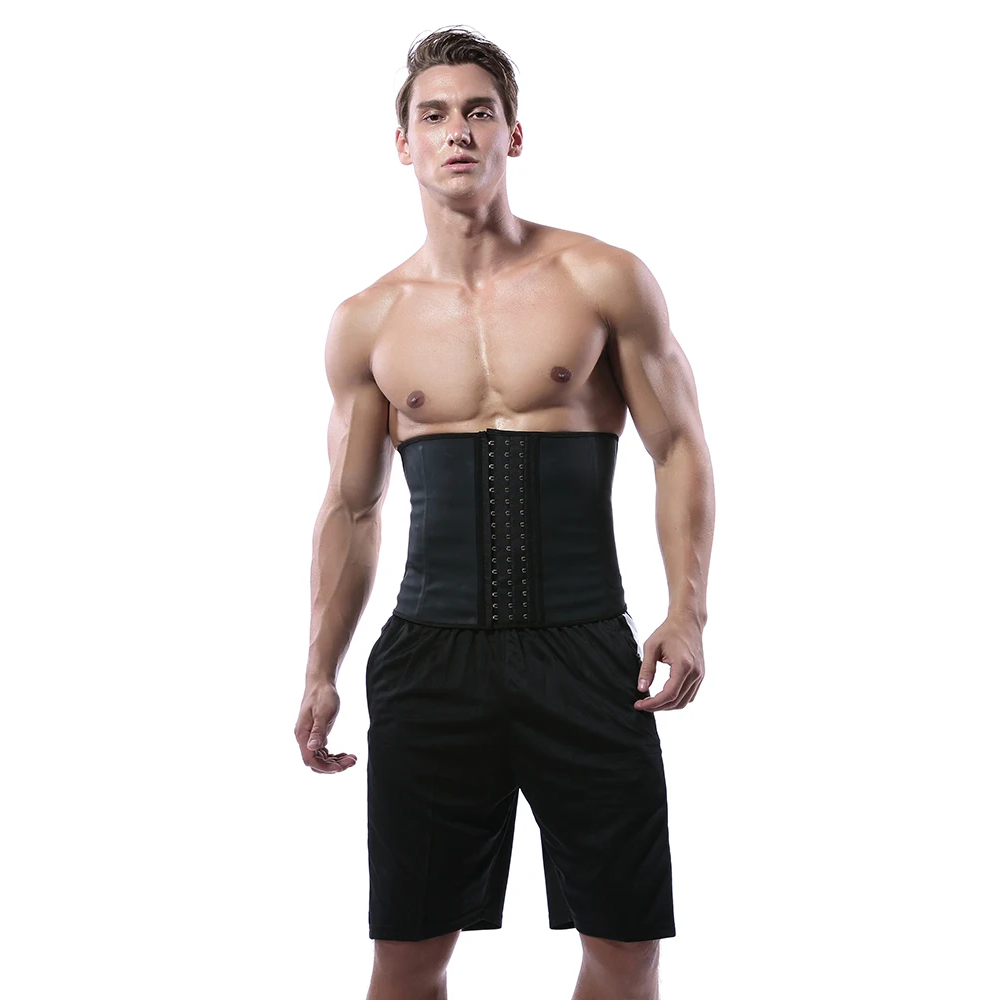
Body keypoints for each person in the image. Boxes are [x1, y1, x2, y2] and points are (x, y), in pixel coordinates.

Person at [293, 24, 715, 1000]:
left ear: (512, 134)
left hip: (586, 650)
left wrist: (686, 610)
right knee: (409, 954)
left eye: (479, 112)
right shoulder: (369, 319)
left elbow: (679, 448)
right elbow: (352, 506)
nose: (458, 131)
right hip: (429, 659)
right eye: (434, 114)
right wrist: (319, 668)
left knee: (626, 944)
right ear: (402, 142)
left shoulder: (601, 279)